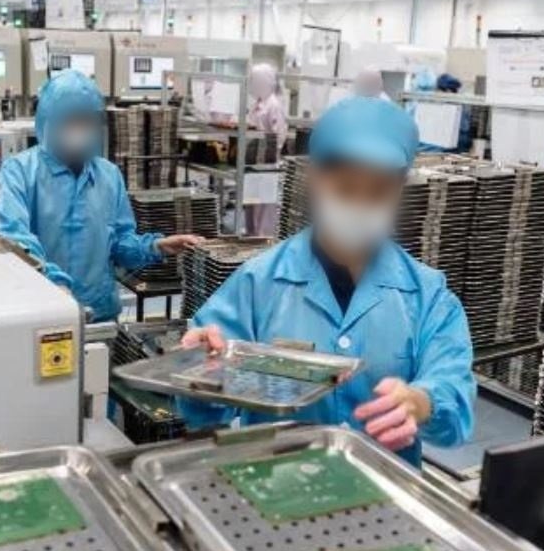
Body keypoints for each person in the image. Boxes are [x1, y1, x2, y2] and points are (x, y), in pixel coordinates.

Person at [177, 97, 476, 466]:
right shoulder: (258, 284)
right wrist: (199, 370)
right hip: (276, 483)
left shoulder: (428, 296)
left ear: (400, 189)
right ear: (316, 180)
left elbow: (455, 401)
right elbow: (202, 412)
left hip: (381, 490)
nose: (360, 204)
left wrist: (422, 402)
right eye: (345, 188)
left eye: (378, 192)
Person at [0, 70, 202, 322]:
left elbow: (119, 243)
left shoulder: (108, 175)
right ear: (48, 121)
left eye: (87, 121)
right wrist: (55, 285)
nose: (80, 130)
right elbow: (15, 241)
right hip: (45, 314)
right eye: (71, 121)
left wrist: (157, 246)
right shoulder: (20, 172)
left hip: (100, 314)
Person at [246, 63, 289, 236]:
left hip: (267, 164)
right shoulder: (257, 104)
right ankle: (251, 237)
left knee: (264, 208)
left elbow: (280, 136)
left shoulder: (274, 105)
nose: (253, 84)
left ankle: (262, 240)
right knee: (251, 204)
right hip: (253, 162)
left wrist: (268, 152)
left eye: (256, 80)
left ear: (268, 81)